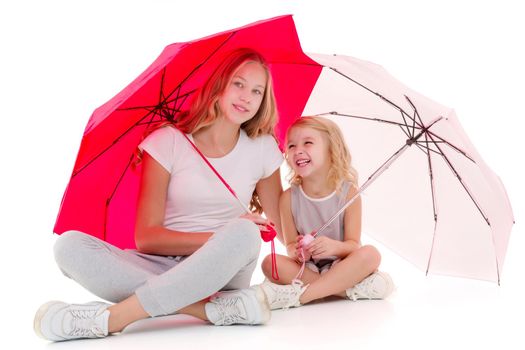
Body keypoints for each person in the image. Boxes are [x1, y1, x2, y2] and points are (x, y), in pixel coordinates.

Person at [34, 48, 284, 341]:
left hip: (222, 269)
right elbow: (147, 238)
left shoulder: (263, 148)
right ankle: (209, 309)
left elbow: (282, 225)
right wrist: (215, 237)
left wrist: (319, 180)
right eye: (238, 84)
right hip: (162, 264)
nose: (246, 97)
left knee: (244, 233)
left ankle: (114, 318)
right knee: (68, 246)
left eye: (257, 91)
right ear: (219, 84)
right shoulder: (167, 141)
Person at [258, 116, 393, 310]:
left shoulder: (349, 194)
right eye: (291, 146)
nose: (298, 151)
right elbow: (289, 245)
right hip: (309, 269)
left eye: (308, 143)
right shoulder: (288, 198)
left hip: (342, 265)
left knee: (371, 254)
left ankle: (302, 296)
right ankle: (346, 289)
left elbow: (353, 245)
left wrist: (335, 248)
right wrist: (299, 252)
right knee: (270, 263)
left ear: (331, 151)